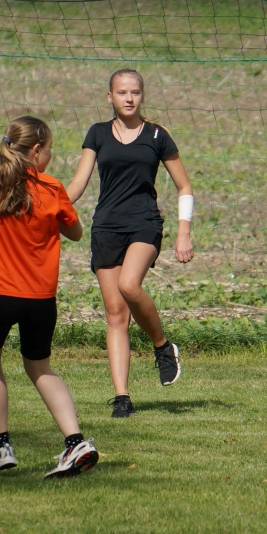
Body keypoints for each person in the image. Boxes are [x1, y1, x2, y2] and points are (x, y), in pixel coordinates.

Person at [0, 115, 98, 478]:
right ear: (36, 151)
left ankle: (1, 446)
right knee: (40, 367)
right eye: (50, 149)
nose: (50, 156)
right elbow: (75, 233)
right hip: (40, 299)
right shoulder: (52, 188)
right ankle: (75, 442)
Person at [66, 68, 195, 418]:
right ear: (110, 97)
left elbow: (184, 186)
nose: (128, 98)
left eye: (134, 92)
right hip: (106, 227)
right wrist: (50, 206)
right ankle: (122, 398)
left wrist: (183, 232)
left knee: (128, 285)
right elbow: (78, 183)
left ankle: (162, 346)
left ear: (142, 95)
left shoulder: (157, 135)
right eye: (121, 92)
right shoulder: (97, 134)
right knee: (115, 313)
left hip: (144, 224)